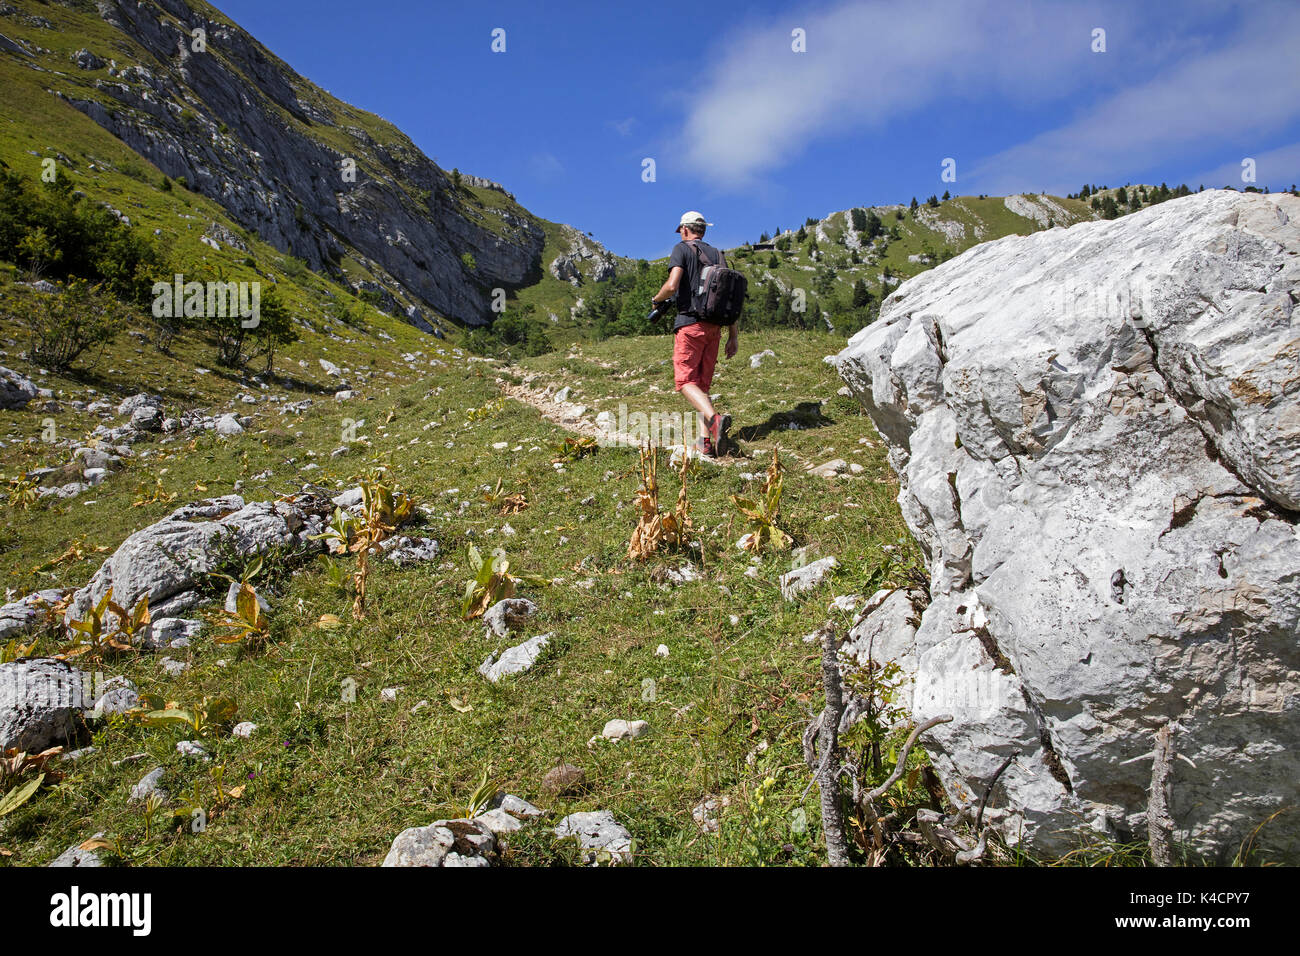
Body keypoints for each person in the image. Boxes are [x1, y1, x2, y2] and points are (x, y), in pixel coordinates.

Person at [651, 211, 738, 457]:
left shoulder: (681, 249)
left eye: (680, 230)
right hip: (715, 327)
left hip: (690, 325)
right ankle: (705, 442)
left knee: (685, 382)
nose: (679, 234)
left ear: (685, 229)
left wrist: (656, 301)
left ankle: (714, 420)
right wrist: (733, 335)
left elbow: (671, 285)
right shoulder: (718, 254)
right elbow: (729, 297)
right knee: (701, 385)